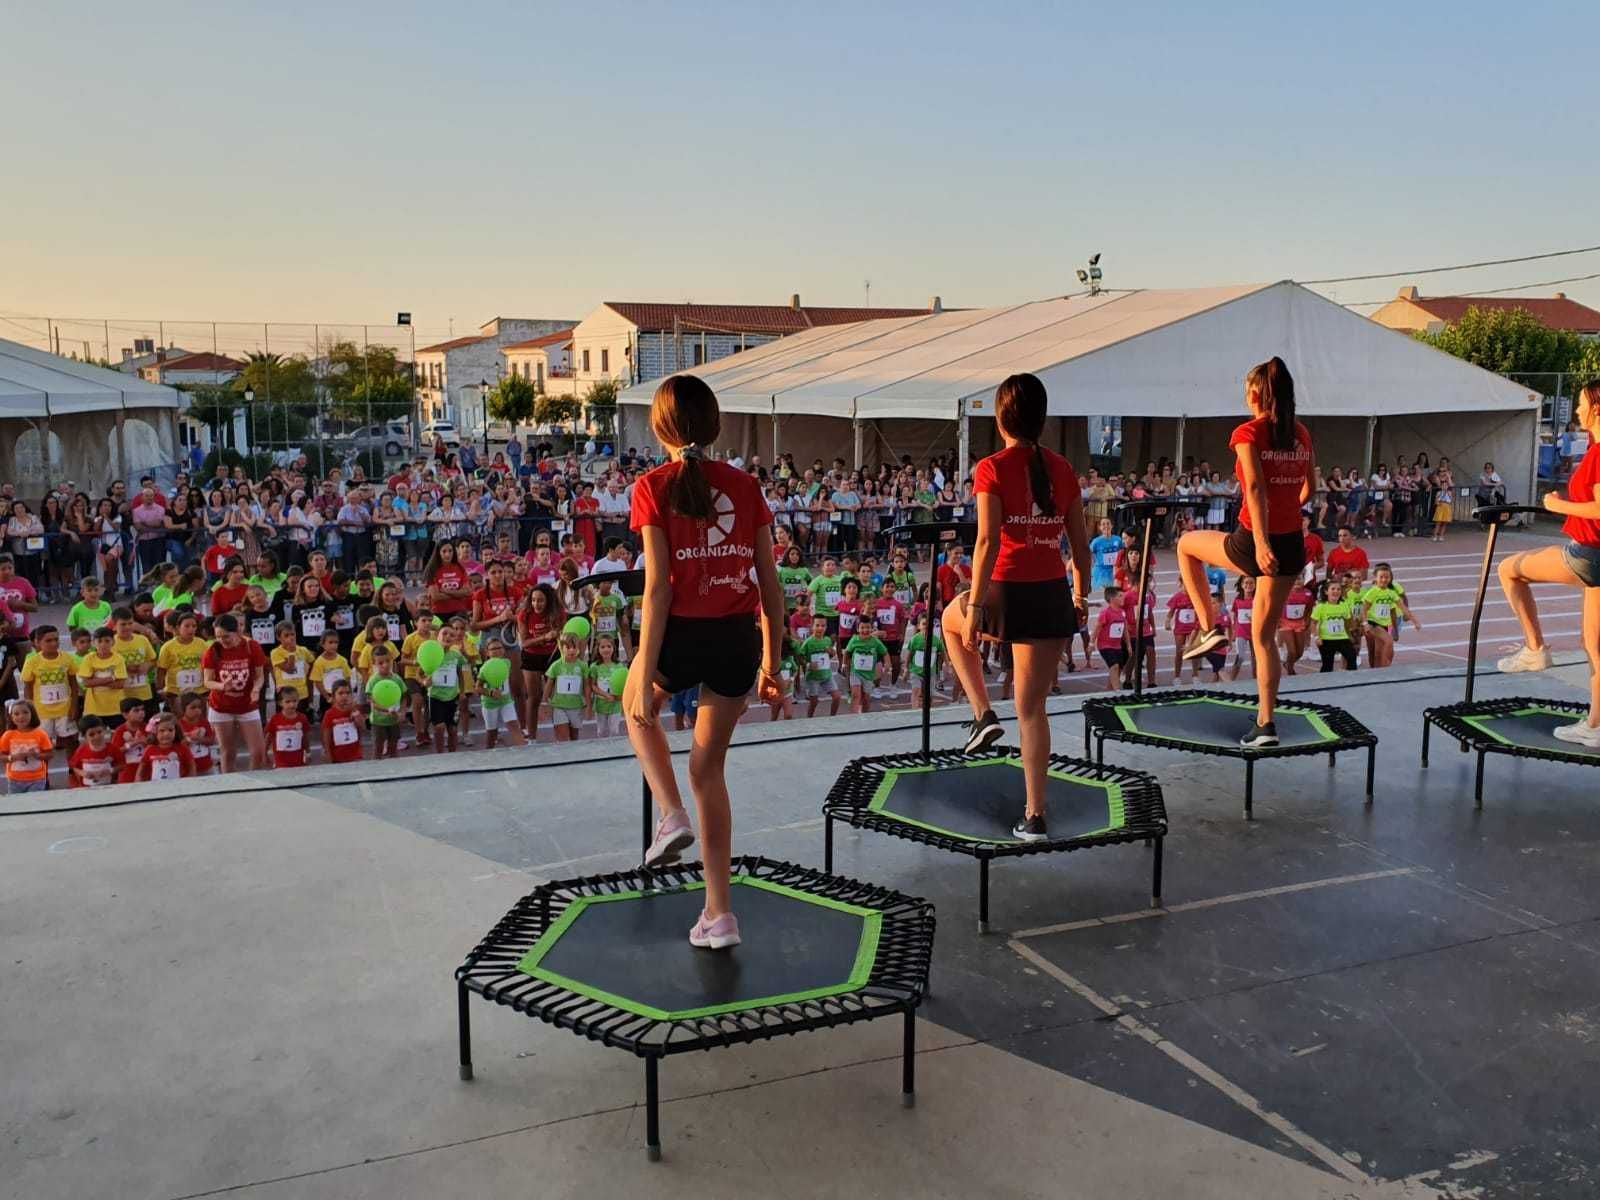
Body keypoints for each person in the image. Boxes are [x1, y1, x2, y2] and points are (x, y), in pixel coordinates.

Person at [625, 375, 786, 950]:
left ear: (660, 427)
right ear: (715, 425)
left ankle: (670, 815)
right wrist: (772, 664)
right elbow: (770, 584)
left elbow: (659, 587)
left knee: (634, 709)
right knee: (708, 772)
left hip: (683, 636)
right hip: (736, 641)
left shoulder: (652, 486)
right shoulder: (745, 486)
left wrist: (646, 670)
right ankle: (720, 916)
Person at [942, 373, 1091, 841]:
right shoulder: (1064, 469)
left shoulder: (991, 468)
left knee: (949, 622)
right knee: (1033, 711)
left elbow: (986, 541)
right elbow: (1080, 547)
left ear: (1001, 417)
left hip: (1004, 591)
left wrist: (976, 605)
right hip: (1049, 596)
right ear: (1041, 418)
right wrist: (1081, 596)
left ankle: (983, 713)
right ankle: (1035, 816)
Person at [1179, 357, 1313, 747]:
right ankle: (1266, 724)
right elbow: (1310, 489)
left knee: (1187, 546)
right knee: (1264, 638)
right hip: (1291, 544)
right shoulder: (1301, 434)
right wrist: (1290, 508)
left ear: (1254, 394)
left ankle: (1209, 627)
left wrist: (1261, 542)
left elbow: (1254, 489)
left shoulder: (1248, 433)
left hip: (1256, 540)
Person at [1495, 381, 1600, 745]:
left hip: (1588, 554)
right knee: (1594, 646)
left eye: (1581, 404)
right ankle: (1596, 726)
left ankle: (1536, 650)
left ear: (1597, 408)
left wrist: (1558, 507)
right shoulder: (1594, 448)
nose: (1575, 411)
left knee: (1509, 569)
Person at [204, 613, 268, 772]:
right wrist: (221, 686)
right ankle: (230, 785)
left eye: (226, 636)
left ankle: (256, 783)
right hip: (221, 706)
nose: (222, 641)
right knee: (228, 751)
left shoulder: (251, 646)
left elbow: (260, 676)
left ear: (237, 632)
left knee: (258, 751)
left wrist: (256, 689)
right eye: (218, 636)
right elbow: (207, 681)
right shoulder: (212, 650)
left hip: (247, 704)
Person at [1, 698, 52, 794]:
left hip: (37, 778)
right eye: (16, 714)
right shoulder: (8, 735)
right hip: (14, 780)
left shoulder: (40, 734)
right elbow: (2, 756)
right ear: (11, 717)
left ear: (32, 714)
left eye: (25, 712)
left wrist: (37, 755)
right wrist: (13, 757)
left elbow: (50, 754)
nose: (21, 717)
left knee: (35, 803)